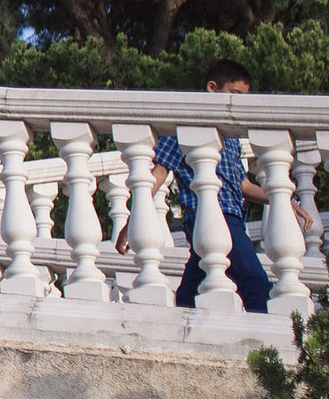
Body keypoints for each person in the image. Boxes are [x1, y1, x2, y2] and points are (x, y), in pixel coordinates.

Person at [114, 59, 313, 313]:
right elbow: (158, 174)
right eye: (234, 95)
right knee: (253, 280)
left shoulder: (230, 138)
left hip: (232, 217)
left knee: (190, 291)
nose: (239, 102)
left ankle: (183, 324)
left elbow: (243, 185)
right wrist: (132, 221)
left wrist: (284, 202)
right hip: (207, 215)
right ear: (212, 88)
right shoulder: (185, 129)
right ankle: (269, 336)